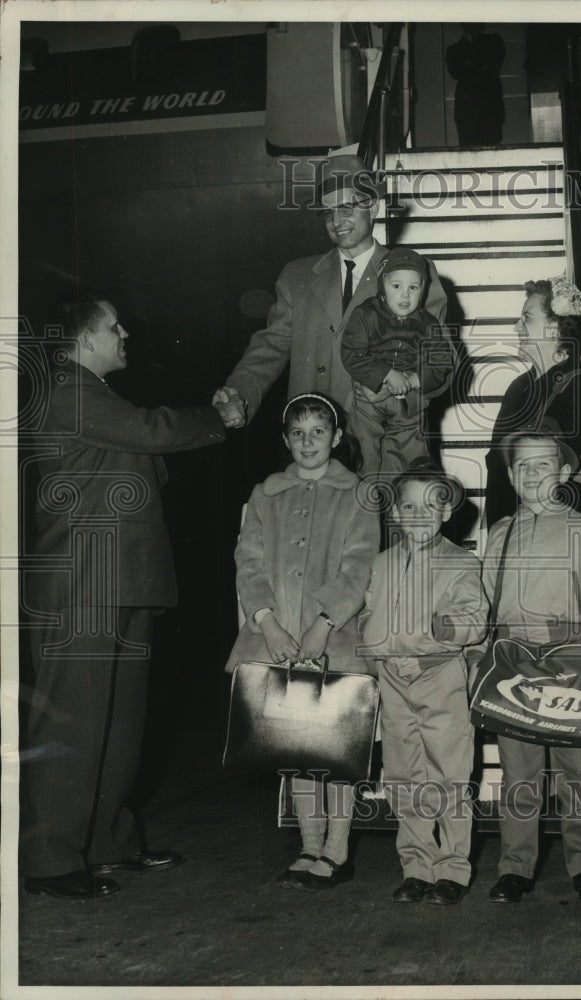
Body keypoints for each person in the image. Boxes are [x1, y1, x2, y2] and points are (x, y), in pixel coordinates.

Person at [21, 294, 228, 900]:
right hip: (83, 579)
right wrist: (217, 416)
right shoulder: (68, 388)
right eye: (114, 327)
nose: (125, 332)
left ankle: (108, 841)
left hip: (119, 576)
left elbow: (139, 456)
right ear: (84, 340)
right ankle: (50, 858)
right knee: (73, 720)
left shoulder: (98, 396)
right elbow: (151, 432)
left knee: (117, 721)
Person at [225, 392, 380, 891]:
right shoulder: (265, 494)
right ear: (285, 439)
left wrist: (323, 623)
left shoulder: (357, 495)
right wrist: (267, 623)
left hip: (332, 640)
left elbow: (359, 566)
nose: (307, 442)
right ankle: (308, 845)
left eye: (318, 432)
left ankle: (337, 850)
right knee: (293, 750)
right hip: (275, 642)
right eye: (297, 433)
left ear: (337, 438)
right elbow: (247, 561)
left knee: (333, 751)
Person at [482, 424, 581, 904]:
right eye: (522, 466)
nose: (532, 473)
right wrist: (471, 652)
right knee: (519, 772)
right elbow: (482, 601)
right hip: (513, 662)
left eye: (543, 463)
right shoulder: (500, 533)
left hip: (573, 657)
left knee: (578, 770)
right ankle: (515, 867)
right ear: (510, 476)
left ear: (564, 471)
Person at [212, 155, 447, 430]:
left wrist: (397, 391)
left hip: (384, 440)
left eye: (346, 207)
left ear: (372, 206)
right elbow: (269, 348)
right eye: (328, 211)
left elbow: (437, 360)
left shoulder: (416, 273)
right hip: (313, 447)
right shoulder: (295, 276)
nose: (337, 221)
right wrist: (238, 392)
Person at [357, 458, 488, 905]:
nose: (418, 516)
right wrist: (379, 653)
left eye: (430, 507)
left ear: (447, 512)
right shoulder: (381, 562)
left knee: (448, 774)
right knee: (401, 775)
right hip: (392, 683)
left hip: (439, 678)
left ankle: (452, 868)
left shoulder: (461, 562)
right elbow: (368, 617)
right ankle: (416, 865)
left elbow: (473, 622)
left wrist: (425, 642)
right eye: (408, 507)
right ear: (394, 512)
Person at [484, 276, 581, 561]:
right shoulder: (517, 390)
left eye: (526, 317)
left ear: (554, 329)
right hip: (515, 546)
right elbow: (497, 472)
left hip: (565, 551)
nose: (516, 327)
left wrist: (561, 464)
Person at [340, 246, 455, 475]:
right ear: (382, 284)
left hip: (408, 403)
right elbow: (352, 352)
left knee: (411, 463)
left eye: (414, 287)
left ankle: (407, 500)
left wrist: (414, 380)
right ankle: (366, 505)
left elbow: (441, 361)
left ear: (423, 290)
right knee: (363, 460)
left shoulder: (428, 323)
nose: (405, 295)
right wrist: (384, 375)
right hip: (368, 400)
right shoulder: (366, 314)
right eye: (396, 286)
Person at [445, 24, 506, 147]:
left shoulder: (493, 42)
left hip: (488, 110)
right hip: (468, 112)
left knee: (491, 149)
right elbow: (456, 72)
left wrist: (470, 65)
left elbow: (494, 62)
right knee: (470, 150)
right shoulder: (454, 50)